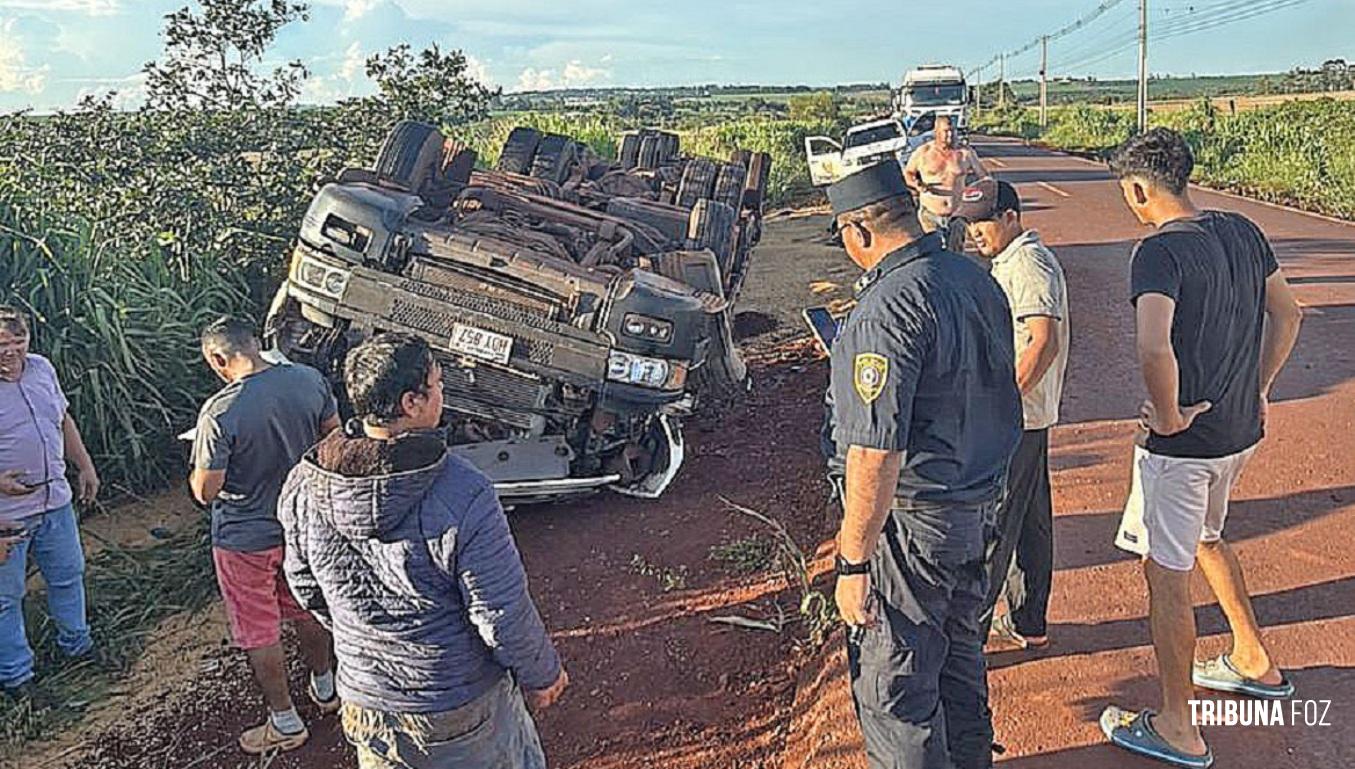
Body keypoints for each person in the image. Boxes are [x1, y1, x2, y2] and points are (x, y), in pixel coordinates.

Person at [1098, 128, 1303, 768]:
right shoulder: (1242, 230)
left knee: (1166, 574)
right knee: (1208, 537)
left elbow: (1153, 346)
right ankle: (1252, 657)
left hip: (1186, 447)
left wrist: (1166, 417)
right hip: (1238, 432)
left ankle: (1179, 727)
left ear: (1137, 188)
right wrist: (1261, 387)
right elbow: (1289, 314)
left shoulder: (1158, 253)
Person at [277, 332, 567, 769]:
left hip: (368, 701)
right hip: (457, 702)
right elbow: (499, 611)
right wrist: (541, 673)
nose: (443, 393)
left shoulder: (306, 482)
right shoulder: (463, 490)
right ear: (412, 403)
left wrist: (364, 639)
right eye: (438, 383)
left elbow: (305, 586)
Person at [823, 160, 1022, 769]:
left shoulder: (884, 309)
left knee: (897, 687)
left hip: (913, 525)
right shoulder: (976, 279)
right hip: (979, 505)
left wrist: (854, 562)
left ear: (858, 232)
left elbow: (876, 451)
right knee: (961, 660)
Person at [189, 317, 342, 754]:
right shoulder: (308, 380)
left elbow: (206, 490)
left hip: (244, 536)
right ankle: (327, 687)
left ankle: (285, 720)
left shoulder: (220, 411)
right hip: (298, 522)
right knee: (303, 605)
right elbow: (332, 442)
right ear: (255, 344)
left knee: (259, 627)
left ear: (218, 359)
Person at [956, 180, 1070, 651]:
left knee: (995, 524)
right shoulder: (1013, 261)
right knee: (1029, 522)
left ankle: (970, 639)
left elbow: (1042, 340)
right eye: (970, 224)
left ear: (1010, 217)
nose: (976, 233)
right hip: (1029, 415)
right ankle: (1028, 621)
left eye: (984, 221)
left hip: (1017, 416)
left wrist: (999, 405)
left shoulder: (1026, 265)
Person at [0, 305, 102, 703]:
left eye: (17, 341)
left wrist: (85, 466)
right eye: (0, 345)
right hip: (7, 516)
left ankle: (78, 648)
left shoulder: (41, 368)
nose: (10, 352)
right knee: (5, 598)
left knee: (68, 574)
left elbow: (63, 420)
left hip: (54, 499)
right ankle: (17, 678)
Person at [903, 115, 989, 252]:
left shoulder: (965, 153)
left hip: (957, 215)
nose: (950, 135)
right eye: (946, 131)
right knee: (934, 253)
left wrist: (980, 199)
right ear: (936, 132)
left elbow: (984, 178)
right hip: (930, 214)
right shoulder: (923, 152)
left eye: (952, 131)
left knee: (955, 255)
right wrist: (917, 184)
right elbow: (908, 173)